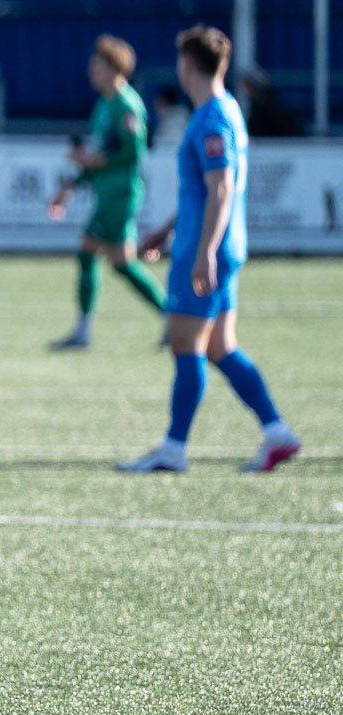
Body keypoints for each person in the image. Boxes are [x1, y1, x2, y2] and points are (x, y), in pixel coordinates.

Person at [116, 25, 301, 475]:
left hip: (207, 250)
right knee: (220, 346)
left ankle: (174, 449)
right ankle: (278, 433)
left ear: (187, 66)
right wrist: (164, 230)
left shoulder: (211, 119)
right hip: (220, 244)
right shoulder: (229, 110)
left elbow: (221, 190)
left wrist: (203, 252)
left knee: (187, 347)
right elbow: (206, 191)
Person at [47, 35, 163, 350]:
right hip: (107, 191)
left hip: (120, 194)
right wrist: (71, 186)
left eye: (97, 67)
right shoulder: (103, 105)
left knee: (87, 250)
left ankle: (83, 332)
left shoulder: (127, 104)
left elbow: (134, 152)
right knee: (123, 263)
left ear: (116, 68)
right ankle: (171, 319)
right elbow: (98, 154)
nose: (92, 73)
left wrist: (96, 160)